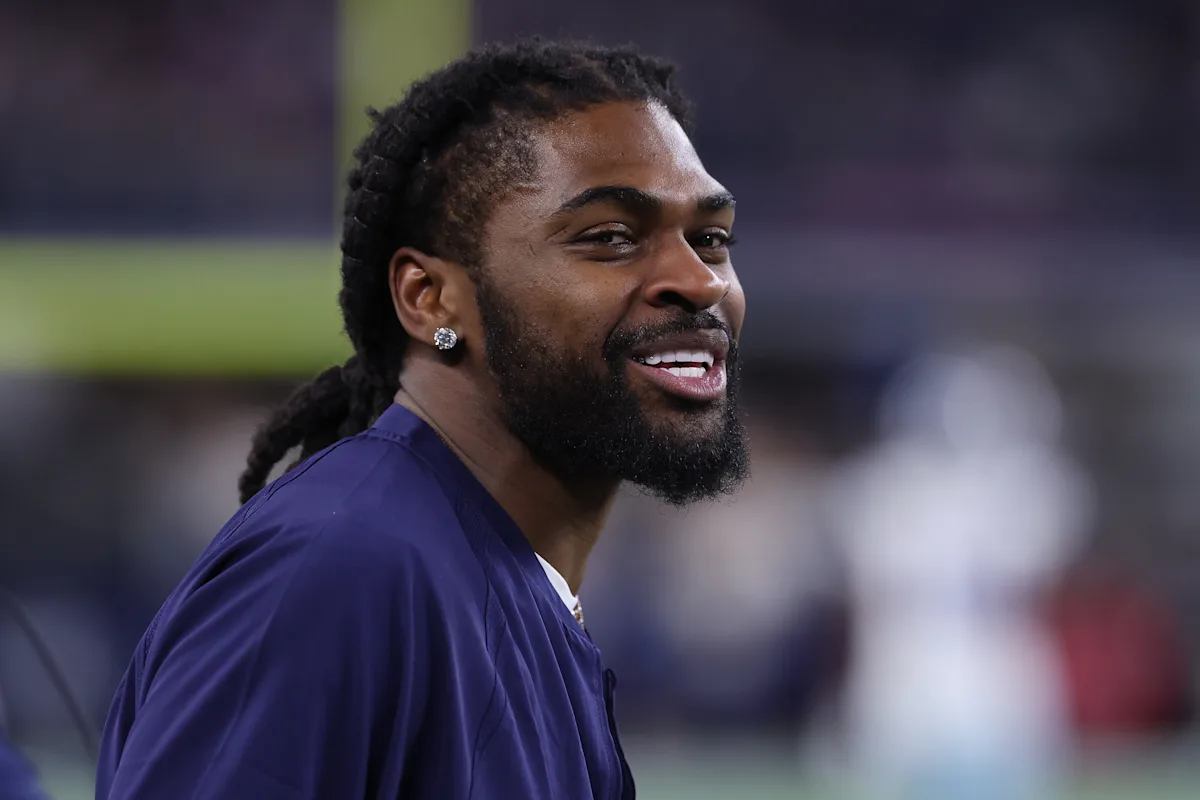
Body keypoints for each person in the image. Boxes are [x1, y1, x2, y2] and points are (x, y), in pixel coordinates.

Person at [96, 39, 748, 799]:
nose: (699, 281)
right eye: (609, 237)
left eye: (710, 239)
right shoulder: (345, 563)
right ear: (429, 300)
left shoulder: (491, 577)